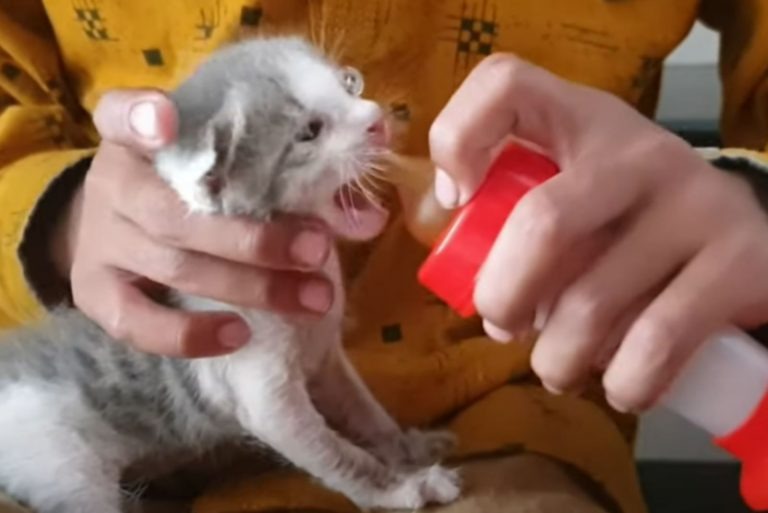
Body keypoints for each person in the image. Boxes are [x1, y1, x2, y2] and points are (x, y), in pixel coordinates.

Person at [1, 0, 767, 511]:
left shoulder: (313, 255)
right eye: (314, 129)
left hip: (514, 420)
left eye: (349, 86)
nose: (371, 117)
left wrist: (748, 200)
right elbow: (276, 399)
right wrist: (62, 217)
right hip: (63, 401)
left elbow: (323, 361)